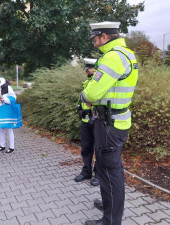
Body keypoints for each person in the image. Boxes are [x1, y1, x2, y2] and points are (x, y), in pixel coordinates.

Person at [80, 21, 138, 225]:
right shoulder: (125, 53)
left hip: (109, 124)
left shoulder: (113, 57)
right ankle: (108, 204)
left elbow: (92, 92)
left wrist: (85, 93)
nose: (94, 42)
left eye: (95, 38)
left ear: (104, 36)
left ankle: (111, 220)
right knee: (109, 167)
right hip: (113, 121)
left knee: (109, 170)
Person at [75, 58, 99, 187]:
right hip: (86, 120)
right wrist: (79, 107)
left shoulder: (99, 81)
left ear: (95, 69)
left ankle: (98, 174)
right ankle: (86, 172)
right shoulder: (86, 82)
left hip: (97, 120)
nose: (86, 71)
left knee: (99, 149)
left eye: (88, 68)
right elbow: (83, 99)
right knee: (86, 148)